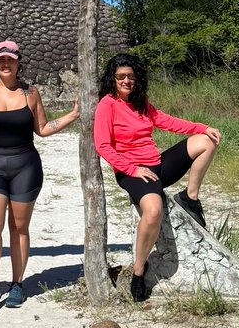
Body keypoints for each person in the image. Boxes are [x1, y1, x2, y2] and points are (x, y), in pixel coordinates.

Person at [0, 40, 79, 315]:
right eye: (0, 60)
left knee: (19, 227)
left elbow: (42, 128)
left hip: (26, 167)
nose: (5, 64)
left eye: (10, 59)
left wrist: (73, 115)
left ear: (18, 62)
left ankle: (18, 283)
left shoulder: (31, 93)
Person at [93, 53, 222, 302]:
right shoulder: (107, 104)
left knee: (206, 141)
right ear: (113, 79)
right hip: (133, 171)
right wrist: (131, 169)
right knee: (153, 211)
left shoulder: (141, 102)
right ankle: (139, 272)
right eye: (121, 77)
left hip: (156, 165)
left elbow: (165, 121)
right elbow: (103, 146)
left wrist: (201, 127)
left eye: (131, 76)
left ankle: (190, 197)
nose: (127, 81)